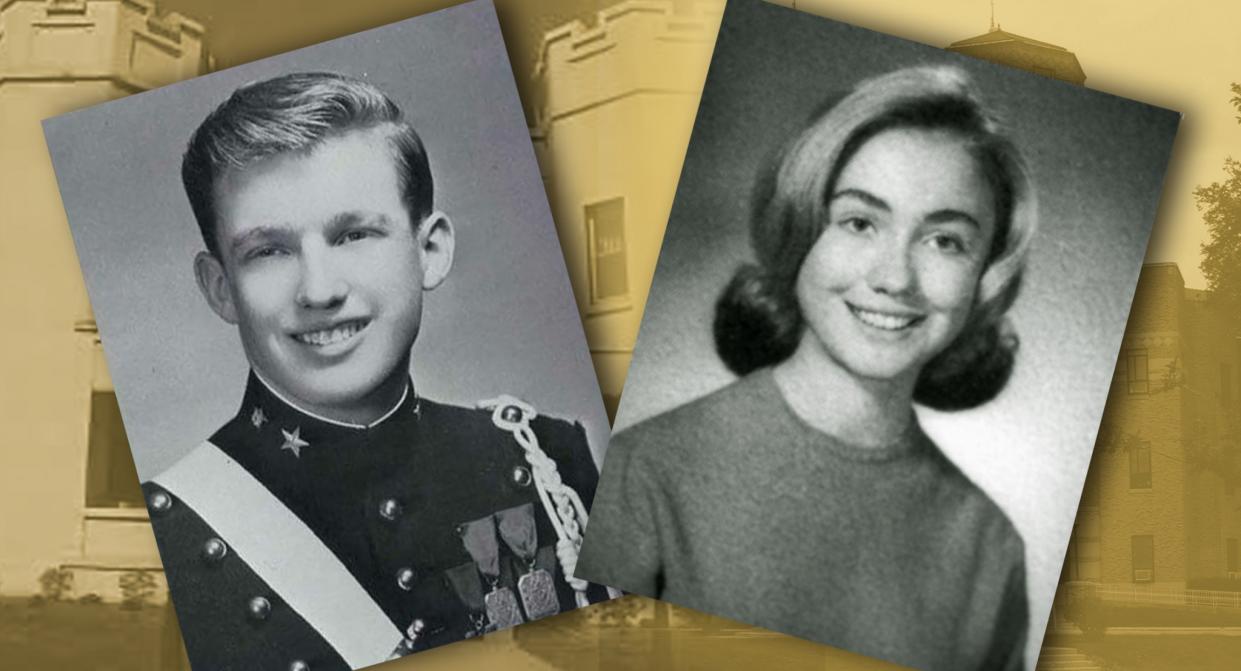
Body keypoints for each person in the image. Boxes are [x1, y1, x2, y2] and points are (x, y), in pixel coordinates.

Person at [141, 71, 612, 671]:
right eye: (268, 251)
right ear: (220, 288)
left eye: (354, 233)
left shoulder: (546, 463)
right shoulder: (163, 540)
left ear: (430, 251)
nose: (319, 290)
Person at [576, 65, 1036, 671]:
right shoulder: (645, 475)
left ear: (985, 276)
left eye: (945, 240)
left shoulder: (987, 547)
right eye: (859, 222)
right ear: (799, 232)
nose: (894, 278)